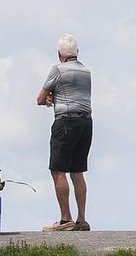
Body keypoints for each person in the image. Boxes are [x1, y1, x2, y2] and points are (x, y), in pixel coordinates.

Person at [36, 33, 92, 232]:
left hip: (65, 122)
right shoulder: (86, 71)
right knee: (78, 171)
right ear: (77, 52)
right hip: (86, 123)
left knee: (58, 169)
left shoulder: (57, 70)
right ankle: (82, 219)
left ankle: (65, 219)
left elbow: (40, 98)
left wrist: (51, 97)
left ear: (59, 54)